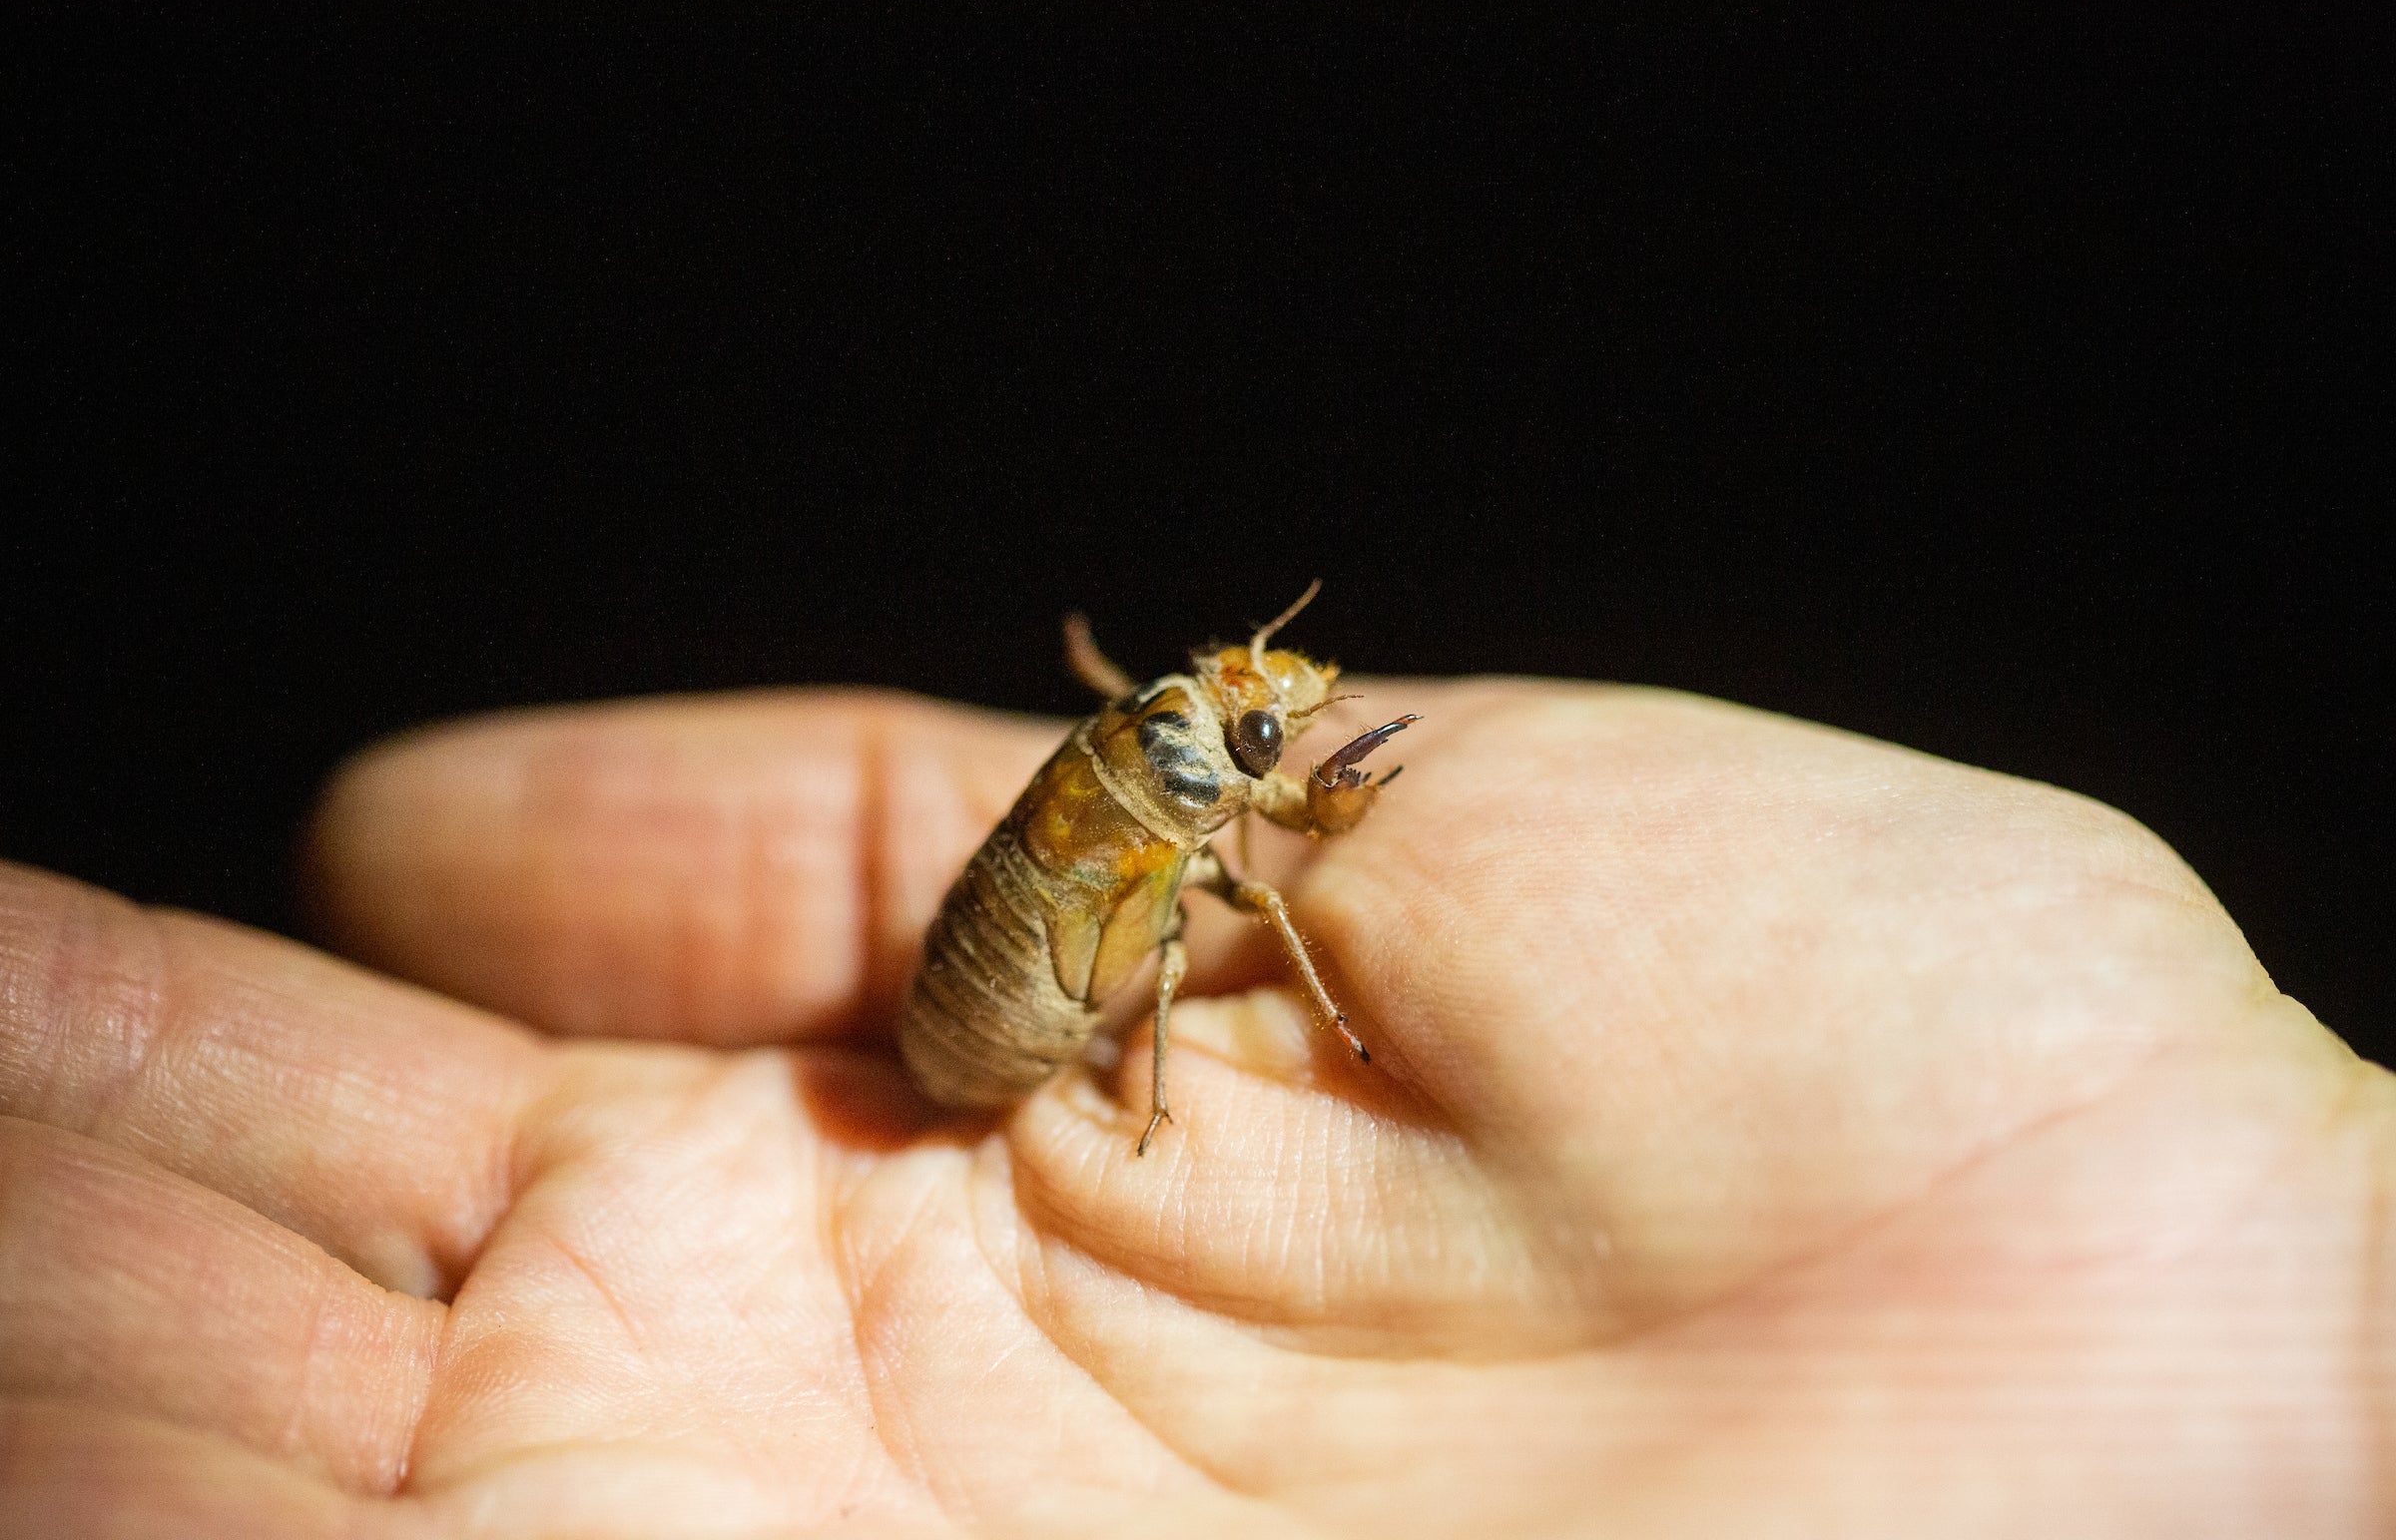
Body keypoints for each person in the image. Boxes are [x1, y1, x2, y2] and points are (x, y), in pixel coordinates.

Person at [0, 680, 2381, 1535]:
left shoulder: (1167, 794)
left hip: (1007, 989)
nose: (1272, 721)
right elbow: (1274, 909)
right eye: (1238, 719)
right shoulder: (1190, 834)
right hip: (994, 1015)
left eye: (1260, 713)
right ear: (1173, 753)